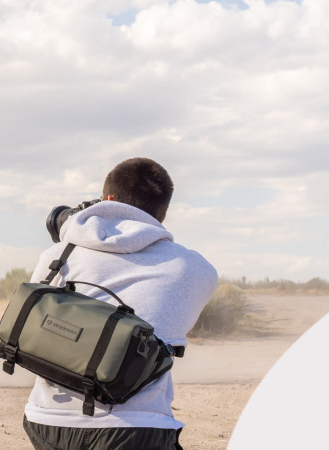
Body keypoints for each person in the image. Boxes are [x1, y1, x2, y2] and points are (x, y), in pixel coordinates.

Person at [21, 158, 218, 450]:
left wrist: (83, 219)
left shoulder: (58, 255)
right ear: (161, 217)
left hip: (47, 420)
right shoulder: (195, 269)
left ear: (107, 200)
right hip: (136, 428)